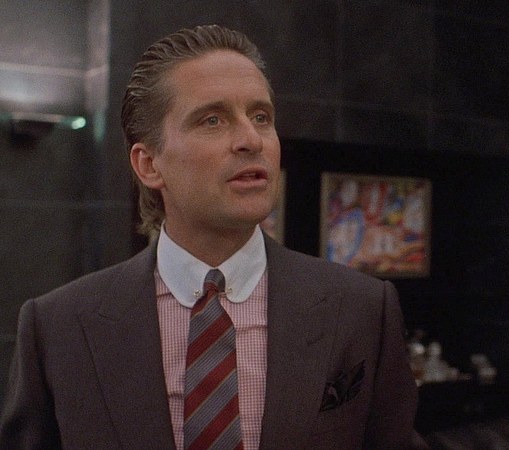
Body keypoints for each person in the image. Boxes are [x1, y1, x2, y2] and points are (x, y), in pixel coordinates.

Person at [0, 25, 424, 449]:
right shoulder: (58, 328)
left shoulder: (362, 310)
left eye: (261, 117)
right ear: (149, 164)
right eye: (213, 120)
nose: (251, 139)